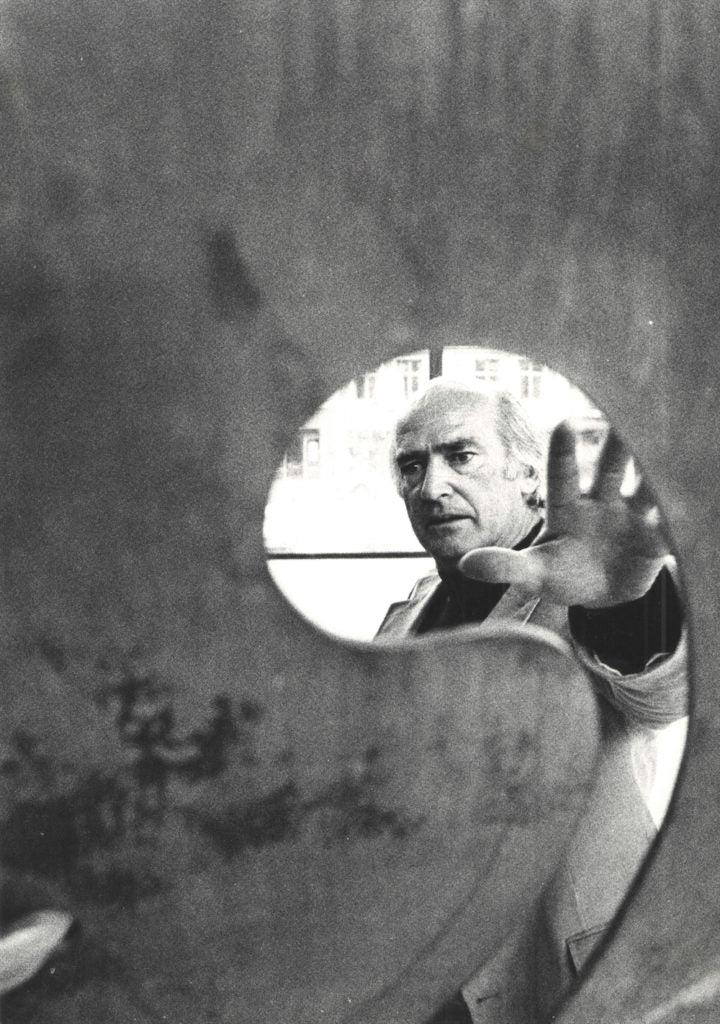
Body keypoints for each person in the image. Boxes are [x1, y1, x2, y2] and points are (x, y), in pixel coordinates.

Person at [375, 379, 688, 1024]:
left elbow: (662, 697)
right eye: (411, 465)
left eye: (461, 456)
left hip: (560, 975)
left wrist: (625, 605)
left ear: (527, 476)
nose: (431, 487)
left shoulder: (589, 587)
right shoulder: (408, 609)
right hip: (426, 974)